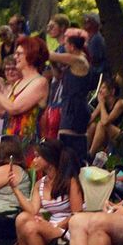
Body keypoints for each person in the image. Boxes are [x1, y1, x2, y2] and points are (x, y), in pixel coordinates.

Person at [6, 139, 82, 245]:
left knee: (32, 227)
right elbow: (32, 210)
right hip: (51, 227)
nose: (34, 160)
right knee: (22, 218)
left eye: (37, 156)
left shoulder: (69, 181)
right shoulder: (40, 184)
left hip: (69, 228)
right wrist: (15, 189)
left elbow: (77, 214)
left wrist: (56, 225)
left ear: (50, 158)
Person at [0, 36, 49, 157]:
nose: (15, 57)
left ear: (31, 55)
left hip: (26, 148)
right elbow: (2, 112)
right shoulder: (18, 83)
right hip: (9, 146)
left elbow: (13, 108)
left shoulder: (40, 82)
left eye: (19, 54)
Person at [46, 30, 92, 161]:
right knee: (64, 142)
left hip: (76, 108)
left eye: (65, 45)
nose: (64, 48)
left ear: (72, 46)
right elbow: (58, 75)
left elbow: (51, 55)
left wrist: (44, 50)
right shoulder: (72, 63)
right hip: (68, 105)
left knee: (70, 144)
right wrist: (52, 63)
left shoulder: (79, 60)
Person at [88, 78, 123, 160]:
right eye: (100, 88)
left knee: (101, 124)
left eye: (103, 88)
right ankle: (84, 152)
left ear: (112, 91)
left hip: (120, 134)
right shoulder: (103, 103)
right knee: (92, 125)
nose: (100, 90)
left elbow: (105, 122)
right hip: (107, 134)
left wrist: (101, 103)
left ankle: (90, 154)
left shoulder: (120, 103)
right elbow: (91, 118)